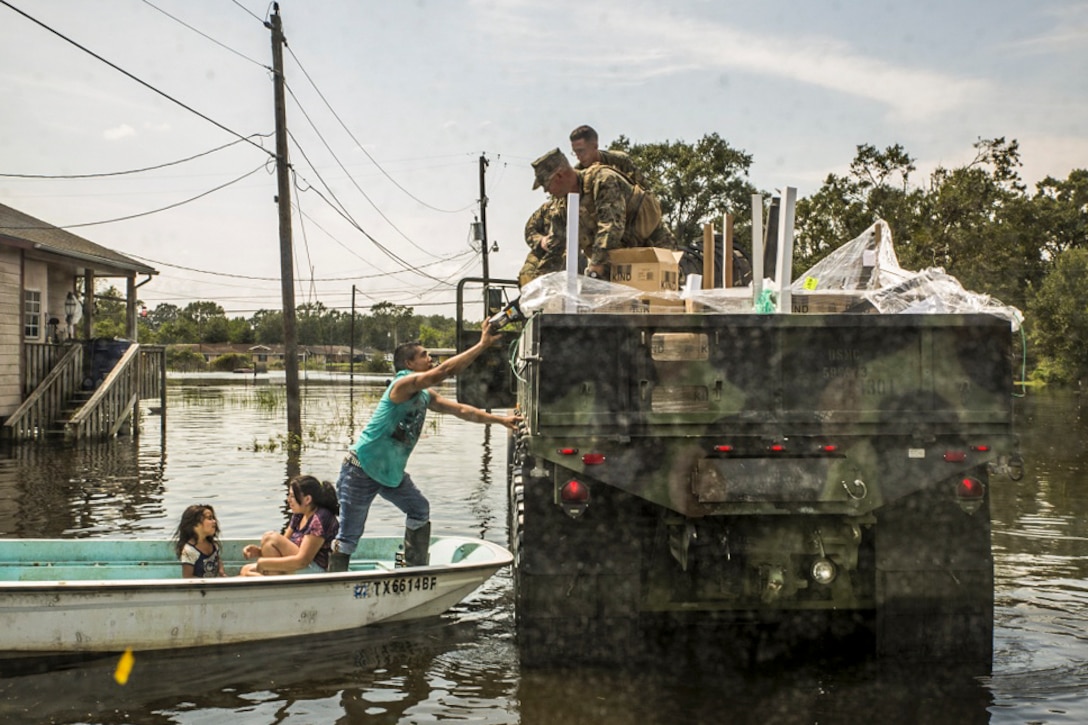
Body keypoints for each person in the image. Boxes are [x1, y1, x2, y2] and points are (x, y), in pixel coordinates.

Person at [328, 325, 520, 571]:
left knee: (419, 510)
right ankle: (335, 583)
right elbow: (446, 370)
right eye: (424, 355)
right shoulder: (402, 385)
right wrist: (482, 345)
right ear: (409, 363)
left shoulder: (424, 394)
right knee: (348, 538)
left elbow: (461, 409)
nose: (430, 359)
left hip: (390, 474)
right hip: (361, 469)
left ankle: (412, 569)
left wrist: (501, 420)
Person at [531, 147, 676, 279]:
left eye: (546, 184)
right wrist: (539, 281)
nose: (546, 191)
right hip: (618, 264)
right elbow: (556, 246)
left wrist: (596, 265)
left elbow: (611, 226)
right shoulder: (562, 208)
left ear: (559, 176)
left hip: (653, 251)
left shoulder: (603, 180)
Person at [240, 475, 340, 575]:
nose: (288, 500)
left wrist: (264, 563)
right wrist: (259, 552)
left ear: (307, 499)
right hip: (297, 564)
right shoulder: (299, 515)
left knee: (270, 538)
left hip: (313, 569)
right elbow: (281, 545)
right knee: (245, 570)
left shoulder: (320, 517)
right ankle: (274, 582)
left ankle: (274, 584)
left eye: (292, 496)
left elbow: (303, 560)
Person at [569, 124, 653, 189]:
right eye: (575, 152)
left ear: (595, 146)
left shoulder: (620, 161)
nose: (578, 157)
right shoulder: (577, 173)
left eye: (581, 151)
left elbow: (645, 189)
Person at [518, 197, 567, 287]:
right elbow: (530, 229)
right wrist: (541, 240)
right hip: (545, 252)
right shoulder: (548, 208)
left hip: (571, 255)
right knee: (527, 274)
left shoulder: (583, 207)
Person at [173, 504, 226, 578]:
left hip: (215, 586)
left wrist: (222, 572)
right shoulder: (189, 550)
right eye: (209, 518)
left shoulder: (212, 544)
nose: (214, 521)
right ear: (195, 524)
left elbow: (218, 560)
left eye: (213, 518)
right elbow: (187, 577)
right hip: (199, 588)